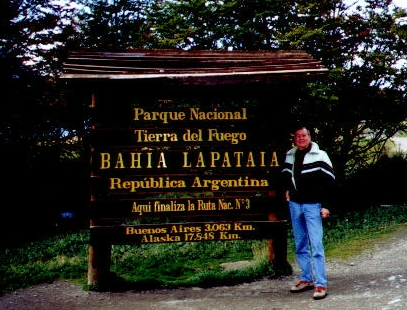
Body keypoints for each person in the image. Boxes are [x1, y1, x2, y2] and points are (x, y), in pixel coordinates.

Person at [281, 126, 335, 300]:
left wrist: (326, 205)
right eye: (297, 136)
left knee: (316, 245)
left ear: (309, 137)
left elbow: (330, 182)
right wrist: (287, 190)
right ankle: (306, 279)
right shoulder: (291, 155)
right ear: (294, 138)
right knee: (300, 244)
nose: (301, 138)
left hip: (313, 205)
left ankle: (321, 284)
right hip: (295, 205)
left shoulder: (320, 155)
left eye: (304, 135)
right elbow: (286, 176)